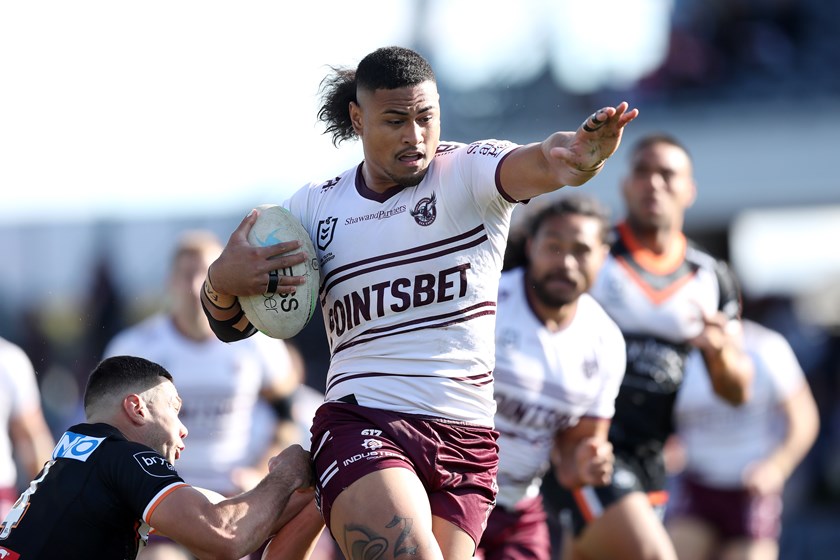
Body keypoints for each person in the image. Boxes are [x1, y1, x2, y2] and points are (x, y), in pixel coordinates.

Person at [200, 45, 638, 560]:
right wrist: (220, 281)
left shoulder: (468, 174)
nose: (415, 136)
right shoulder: (314, 208)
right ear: (358, 119)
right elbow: (233, 325)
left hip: (468, 440)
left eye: (426, 117)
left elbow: (541, 161)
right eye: (395, 121)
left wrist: (570, 159)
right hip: (364, 421)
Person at [541, 132, 754, 560]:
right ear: (625, 184)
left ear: (689, 189)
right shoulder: (591, 254)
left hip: (652, 454)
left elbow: (737, 392)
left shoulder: (712, 277)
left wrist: (718, 354)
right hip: (585, 447)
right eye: (642, 171)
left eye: (667, 174)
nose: (653, 183)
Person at [103, 230, 323, 559]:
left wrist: (262, 470)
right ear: (169, 282)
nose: (194, 287)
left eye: (205, 275)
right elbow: (110, 435)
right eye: (186, 275)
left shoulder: (257, 343)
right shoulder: (134, 348)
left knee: (313, 504)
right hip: (165, 500)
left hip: (239, 494)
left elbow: (287, 416)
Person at [0, 355, 317, 560]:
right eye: (176, 410)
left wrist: (318, 487)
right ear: (137, 408)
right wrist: (287, 474)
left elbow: (240, 518)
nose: (184, 430)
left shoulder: (78, 457)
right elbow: (225, 536)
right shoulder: (123, 456)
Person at [474, 195, 626, 560]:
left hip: (518, 508)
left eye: (581, 250)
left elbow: (575, 461)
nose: (566, 263)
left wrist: (591, 460)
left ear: (603, 256)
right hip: (447, 493)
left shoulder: (606, 342)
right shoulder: (486, 302)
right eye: (554, 247)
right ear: (531, 246)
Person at [665, 319, 819, 560]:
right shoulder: (679, 352)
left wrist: (777, 467)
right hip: (697, 485)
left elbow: (804, 418)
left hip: (750, 492)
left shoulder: (767, 348)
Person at [0, 336, 54, 519]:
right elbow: (31, 438)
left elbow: (31, 438)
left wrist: (46, 502)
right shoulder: (8, 357)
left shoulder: (8, 358)